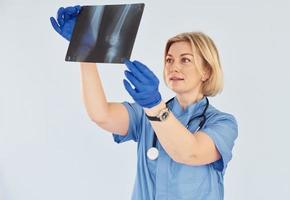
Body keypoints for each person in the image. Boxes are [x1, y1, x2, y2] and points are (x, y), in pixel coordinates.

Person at [50, 5, 238, 200]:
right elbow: (101, 114)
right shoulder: (144, 113)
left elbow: (190, 153)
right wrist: (85, 51)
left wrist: (155, 106)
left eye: (185, 60)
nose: (174, 67)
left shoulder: (222, 123)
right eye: (169, 60)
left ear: (206, 71)